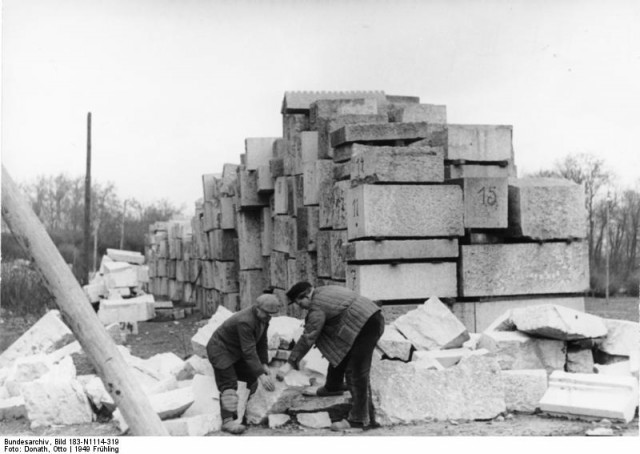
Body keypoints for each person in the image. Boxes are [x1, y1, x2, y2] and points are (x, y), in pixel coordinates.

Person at [276, 282, 385, 431]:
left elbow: (309, 336)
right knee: (339, 349)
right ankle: (333, 386)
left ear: (307, 295)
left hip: (367, 326)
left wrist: (290, 363)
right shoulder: (323, 291)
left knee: (356, 372)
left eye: (299, 302)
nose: (300, 307)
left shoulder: (317, 307)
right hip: (367, 319)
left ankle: (360, 420)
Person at [206, 293, 280, 435]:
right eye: (267, 313)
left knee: (249, 375)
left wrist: (263, 363)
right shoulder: (245, 321)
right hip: (220, 350)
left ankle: (242, 411)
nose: (269, 317)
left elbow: (261, 341)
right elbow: (249, 351)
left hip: (235, 350)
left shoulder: (262, 318)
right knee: (229, 382)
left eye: (272, 314)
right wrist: (262, 376)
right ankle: (228, 421)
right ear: (258, 308)